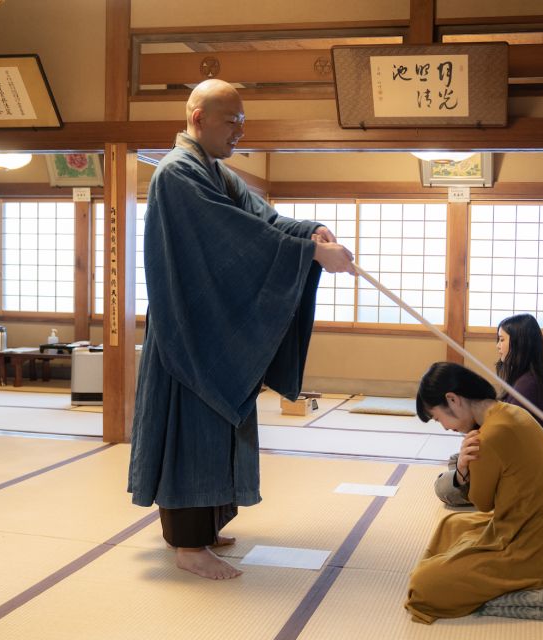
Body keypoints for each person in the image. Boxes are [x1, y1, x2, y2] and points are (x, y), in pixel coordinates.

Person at [127, 79, 355, 580]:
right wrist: (311, 254)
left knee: (218, 427)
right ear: (197, 118)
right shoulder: (176, 174)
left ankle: (203, 527)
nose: (238, 131)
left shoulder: (214, 172)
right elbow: (232, 237)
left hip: (209, 327)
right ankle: (188, 545)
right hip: (189, 330)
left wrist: (307, 232)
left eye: (242, 122)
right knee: (192, 433)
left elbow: (263, 219)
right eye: (231, 120)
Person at [406, 362, 543, 624]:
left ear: (453, 400)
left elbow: (482, 503)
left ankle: (511, 588)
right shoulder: (510, 412)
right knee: (451, 524)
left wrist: (464, 469)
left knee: (422, 586)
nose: (444, 427)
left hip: (531, 553)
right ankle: (455, 568)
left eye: (438, 418)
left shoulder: (488, 437)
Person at [434, 313, 543, 506]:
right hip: (526, 461)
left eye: (502, 340)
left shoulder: (527, 386)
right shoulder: (526, 378)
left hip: (524, 471)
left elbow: (505, 435)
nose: (498, 346)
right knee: (456, 459)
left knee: (443, 488)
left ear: (519, 342)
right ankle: (461, 475)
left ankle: (464, 481)